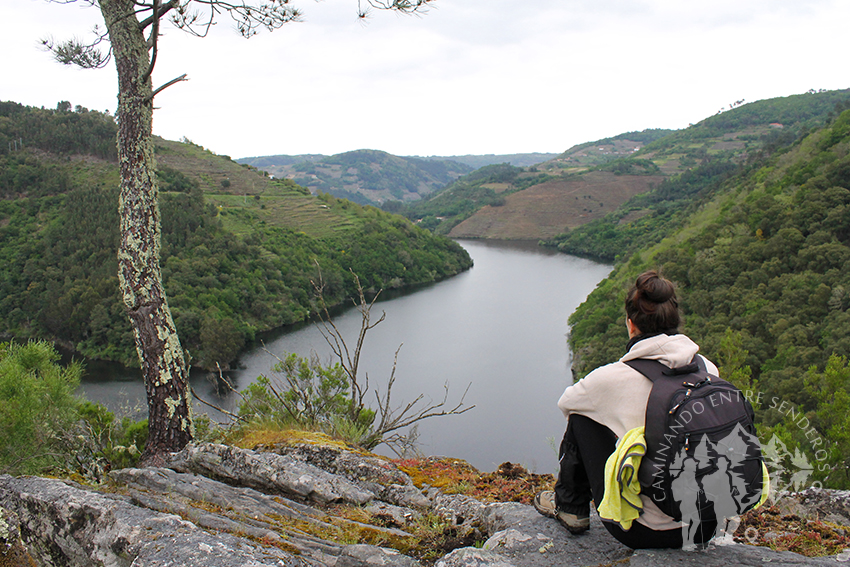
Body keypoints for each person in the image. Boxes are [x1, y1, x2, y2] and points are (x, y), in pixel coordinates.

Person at [533, 270, 720, 549]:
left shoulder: (610, 379)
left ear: (631, 326)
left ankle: (571, 508)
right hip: (707, 523)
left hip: (646, 531)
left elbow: (567, 404)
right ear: (675, 323)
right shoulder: (706, 368)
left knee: (582, 415)